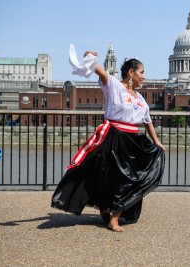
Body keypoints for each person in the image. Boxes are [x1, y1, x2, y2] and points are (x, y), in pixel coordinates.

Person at [52, 47, 166, 232]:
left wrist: (156, 142)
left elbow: (148, 121)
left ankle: (114, 215)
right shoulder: (113, 84)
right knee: (109, 178)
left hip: (133, 141)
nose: (144, 77)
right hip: (113, 138)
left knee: (130, 179)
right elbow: (98, 69)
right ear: (131, 73)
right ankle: (110, 214)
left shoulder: (140, 99)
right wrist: (88, 57)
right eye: (142, 73)